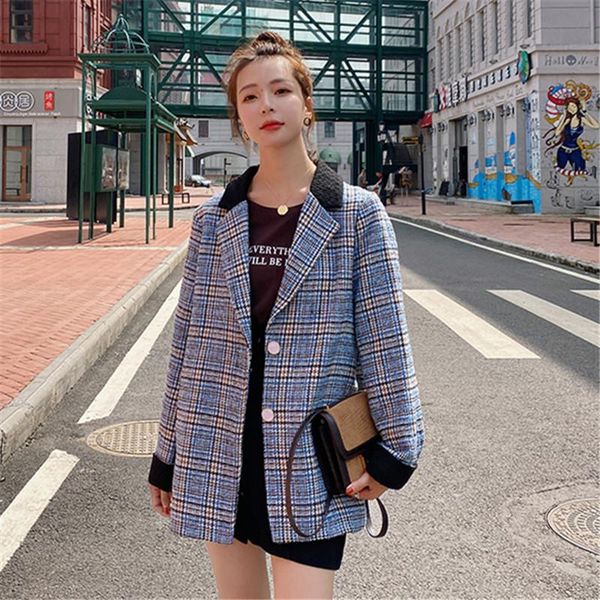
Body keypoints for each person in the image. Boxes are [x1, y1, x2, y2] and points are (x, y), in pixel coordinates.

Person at [148, 30, 424, 600]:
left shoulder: (357, 216)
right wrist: (167, 456)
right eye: (249, 97)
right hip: (216, 452)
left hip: (308, 460)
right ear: (239, 119)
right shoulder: (213, 219)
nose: (266, 105)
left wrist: (397, 449)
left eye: (280, 90)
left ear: (306, 104)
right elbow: (188, 345)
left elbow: (385, 343)